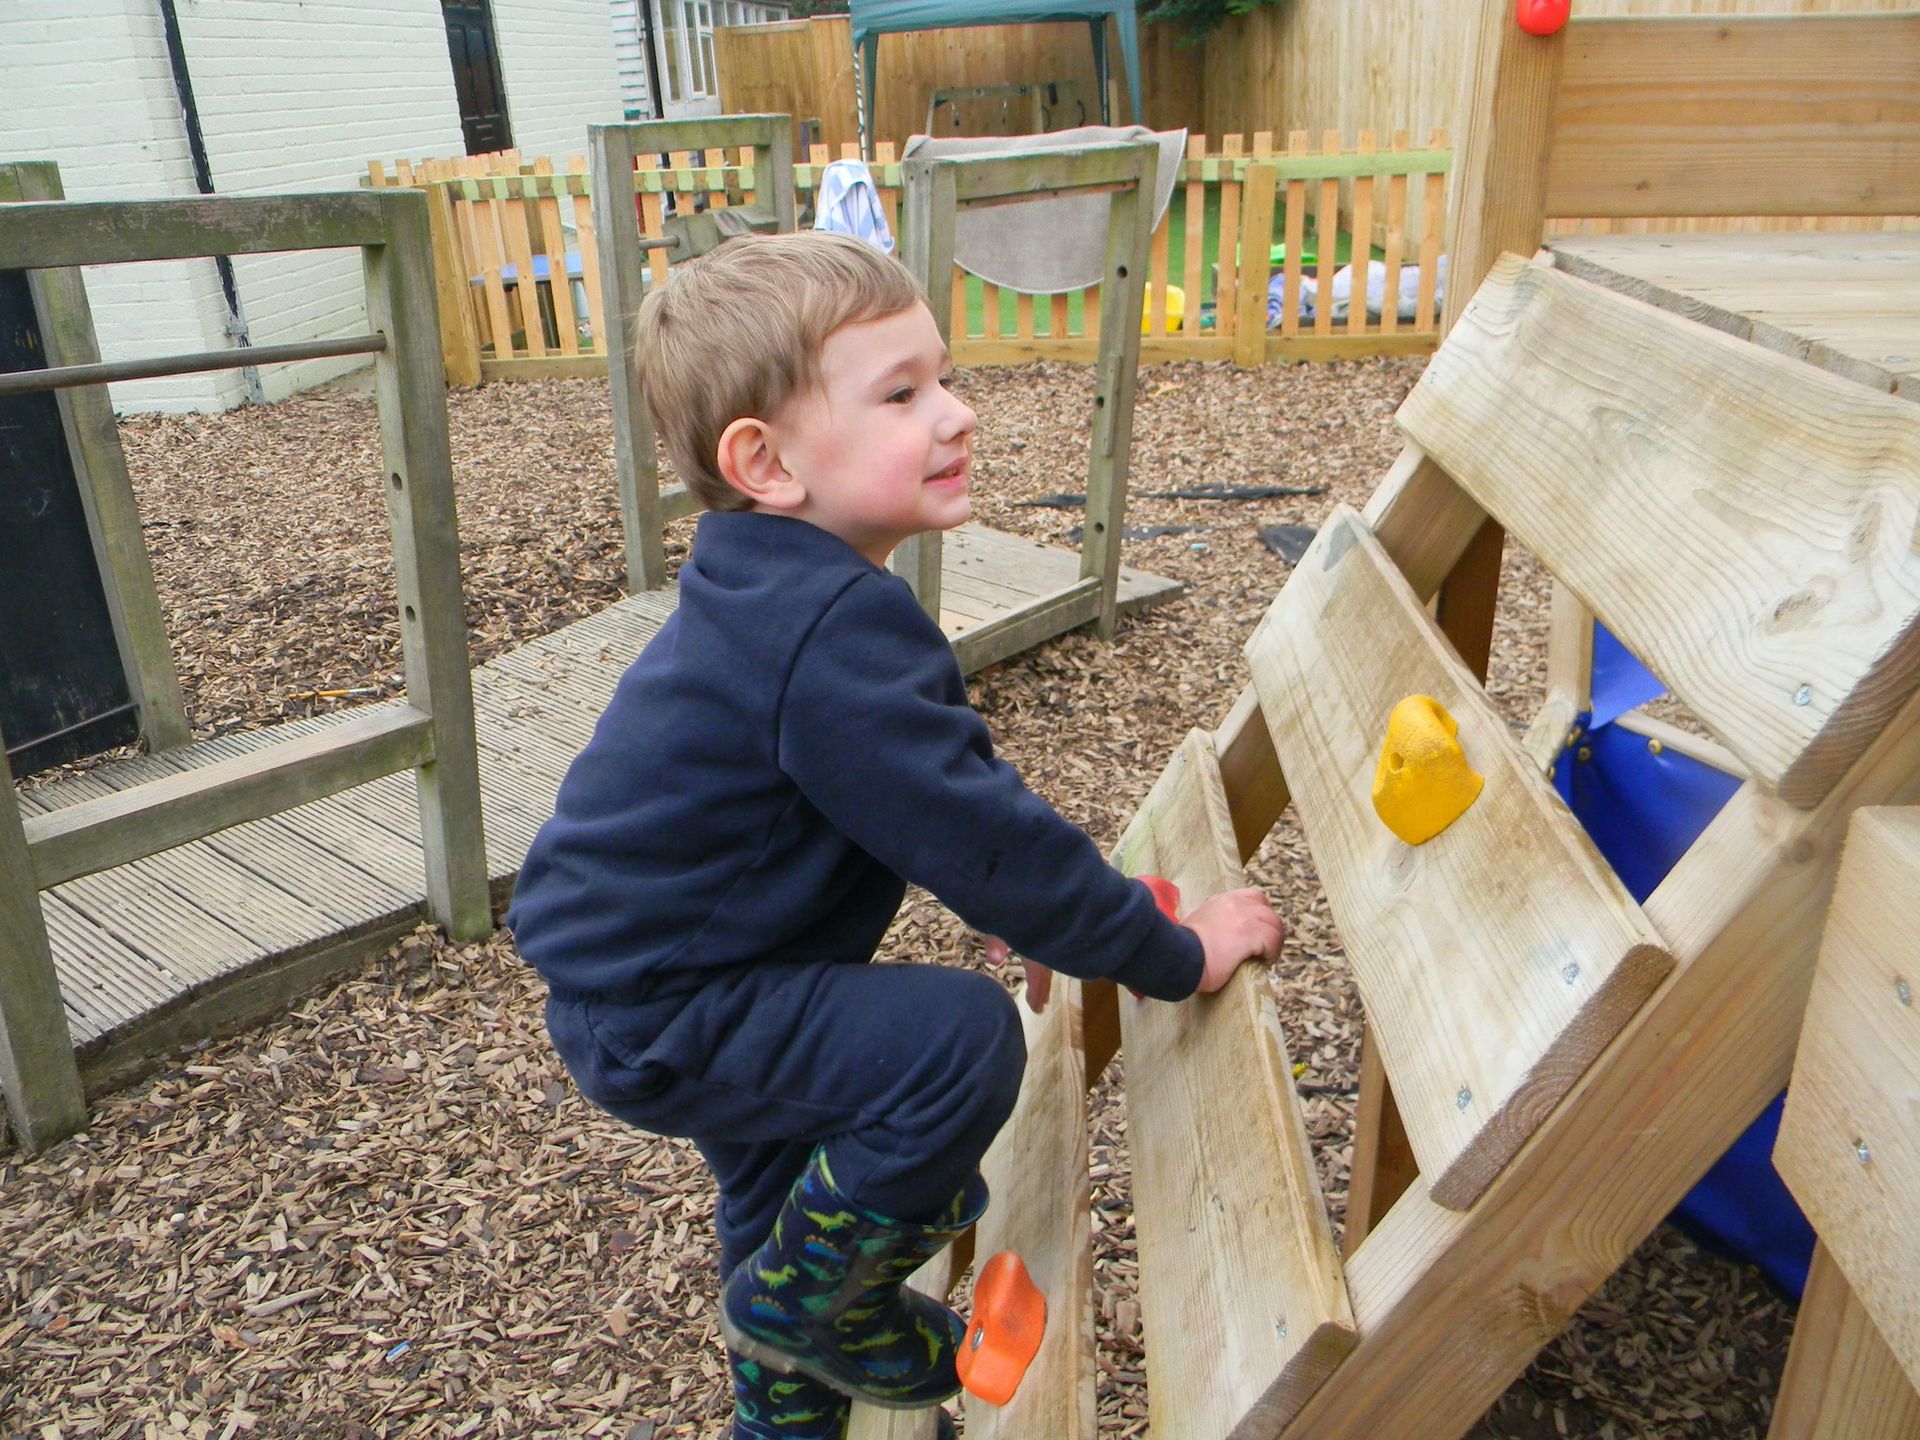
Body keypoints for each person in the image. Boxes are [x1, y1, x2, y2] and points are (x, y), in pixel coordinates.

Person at [507, 232, 1286, 1440]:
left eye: (946, 376)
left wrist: (1021, 904)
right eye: (903, 393)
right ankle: (805, 1312)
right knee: (956, 1044)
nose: (959, 413)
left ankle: (783, 1408)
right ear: (765, 462)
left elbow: (937, 809)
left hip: (661, 982)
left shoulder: (774, 593)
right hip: (673, 999)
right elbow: (988, 839)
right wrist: (1164, 953)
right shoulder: (827, 629)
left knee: (785, 1191)